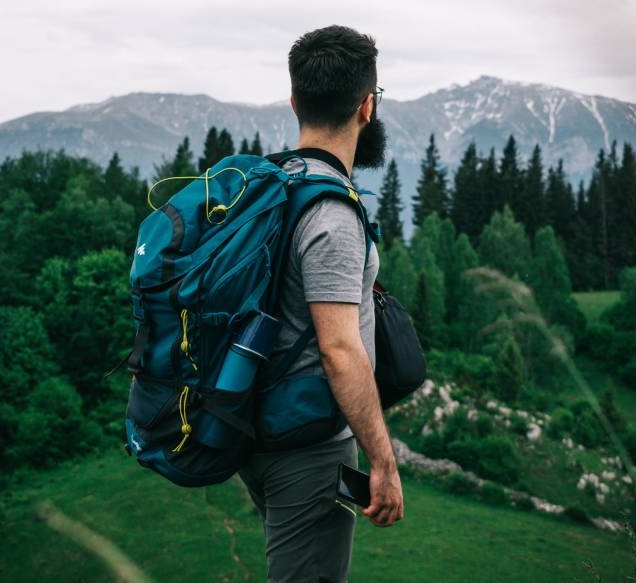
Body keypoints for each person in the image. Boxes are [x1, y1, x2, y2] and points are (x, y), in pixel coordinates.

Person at [239, 25, 404, 583]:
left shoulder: (274, 183)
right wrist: (381, 460)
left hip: (257, 427)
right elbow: (339, 350)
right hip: (308, 446)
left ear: (293, 102)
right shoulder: (331, 214)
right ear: (367, 106)